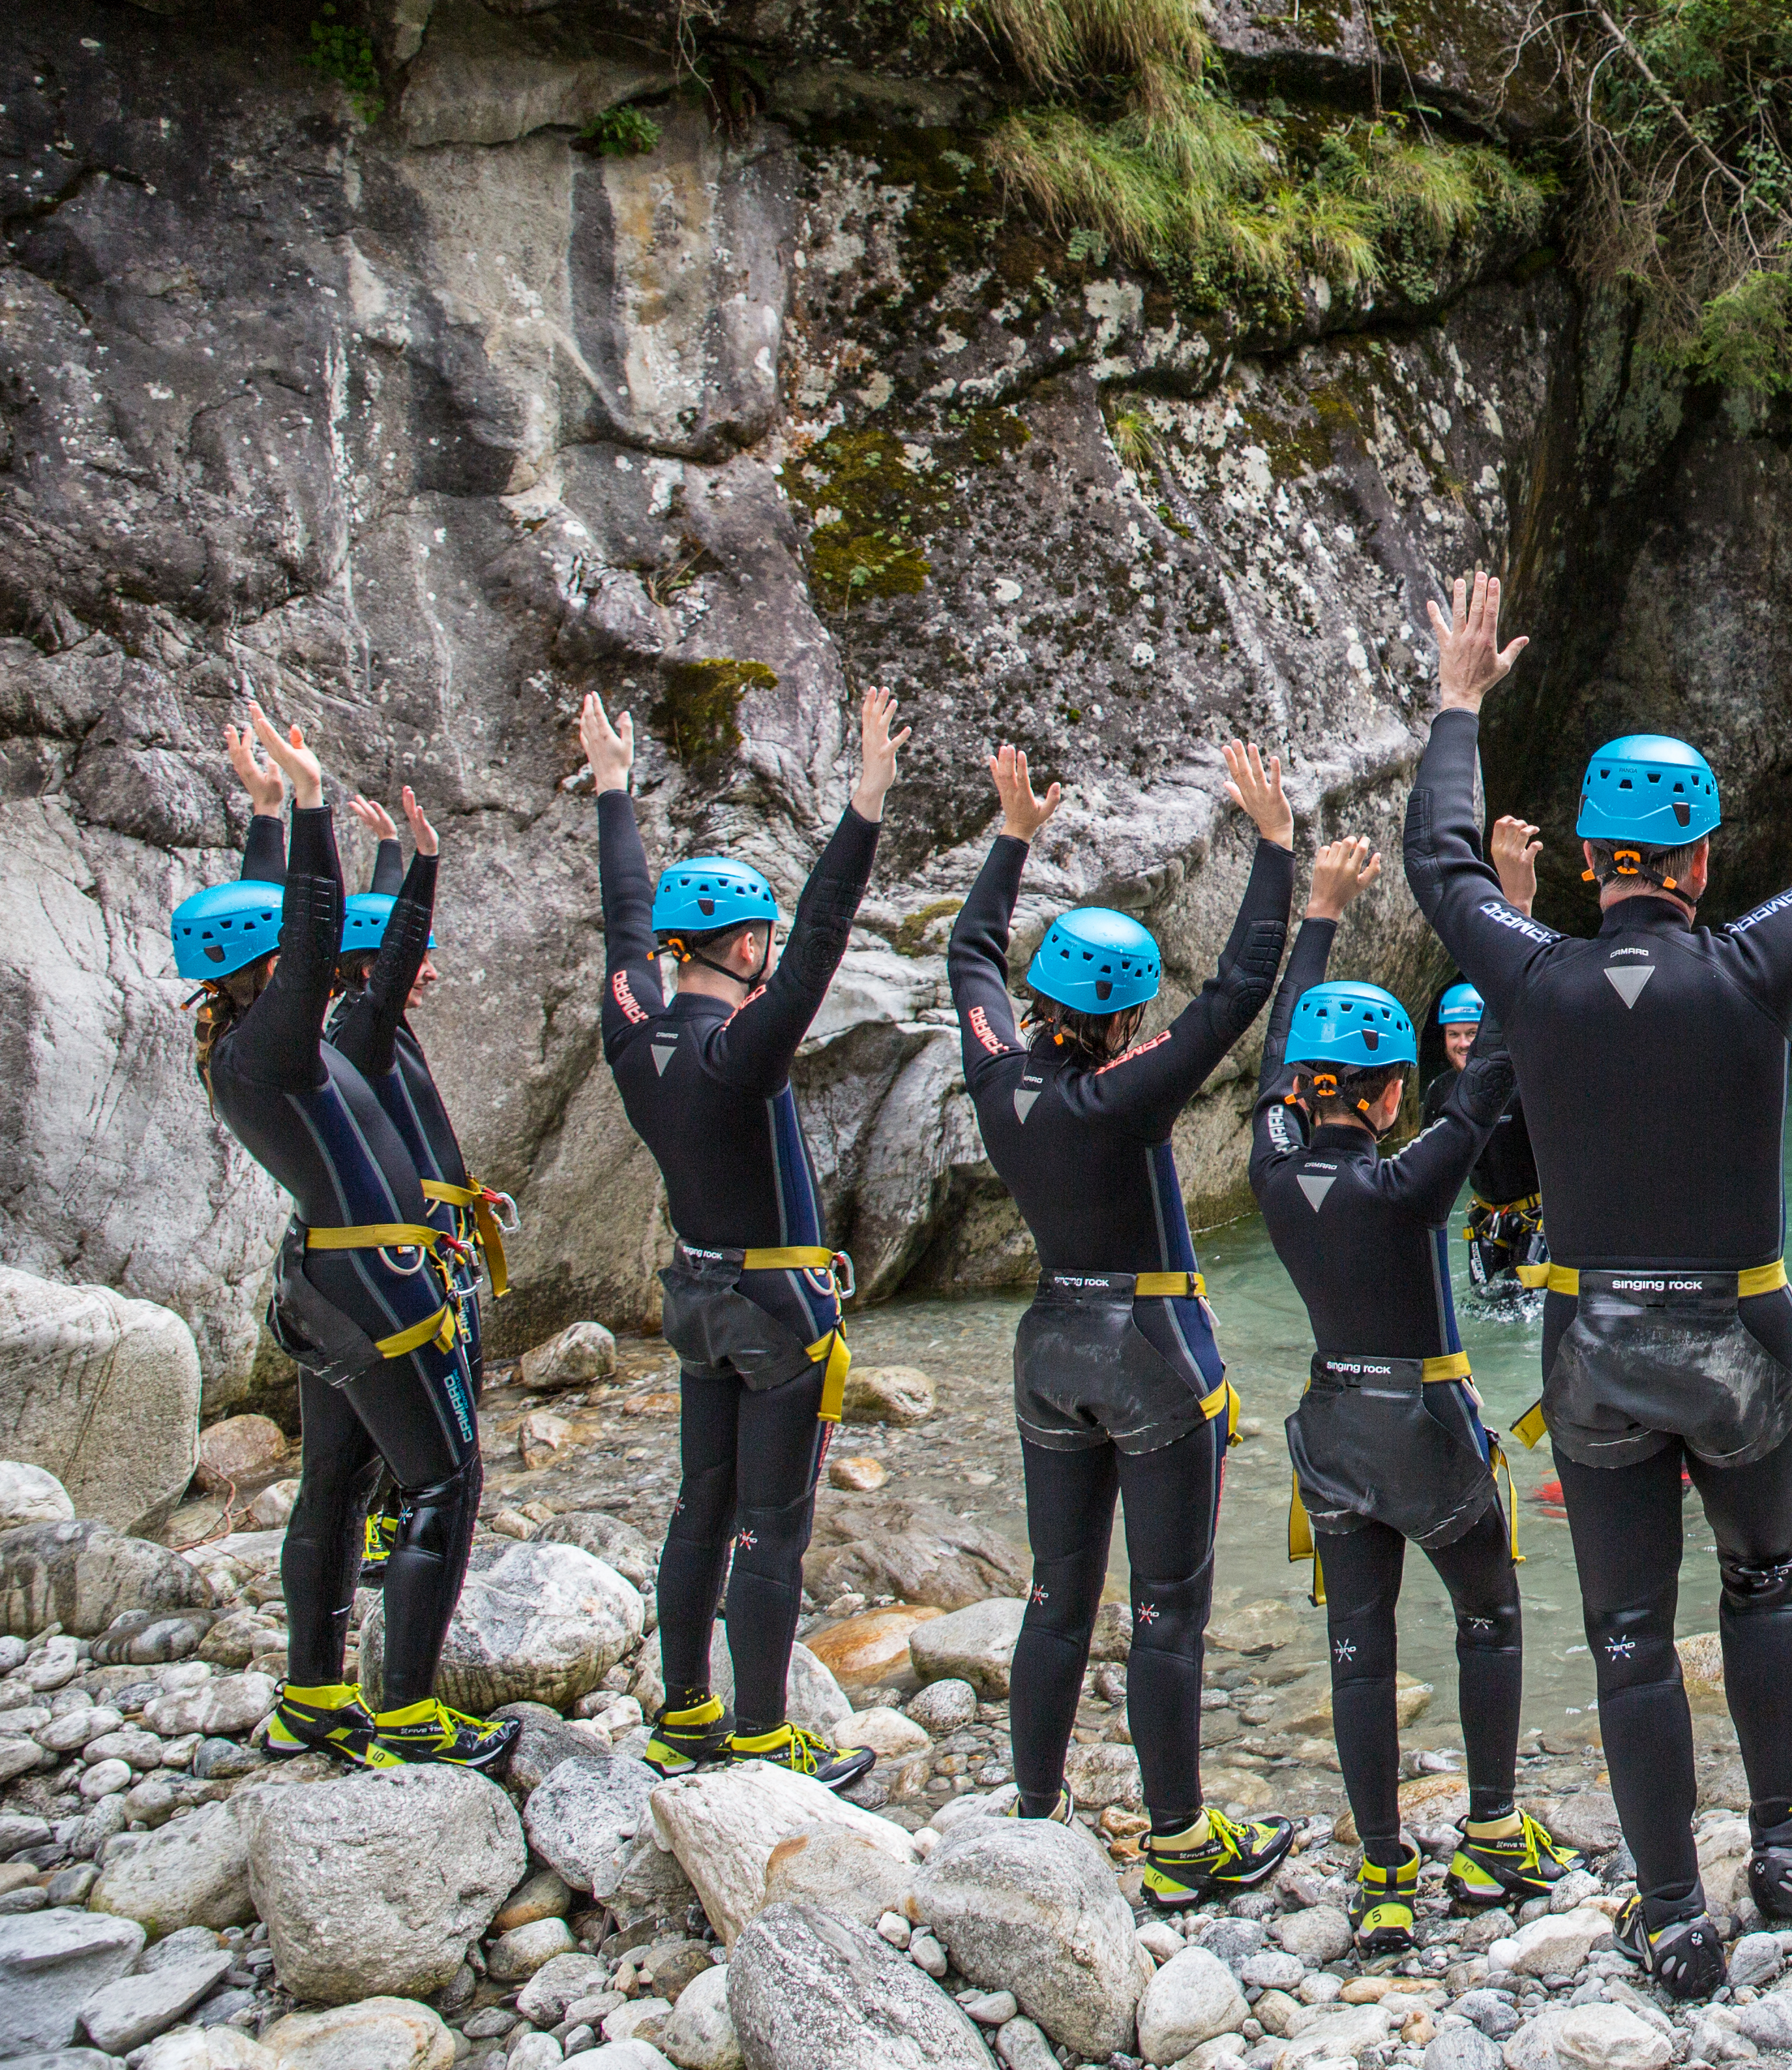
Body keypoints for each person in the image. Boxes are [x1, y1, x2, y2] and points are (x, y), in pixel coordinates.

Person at [1405, 561, 1792, 1998]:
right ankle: (1785, 1847)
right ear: (1697, 863)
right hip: (1740, 1329)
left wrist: (1458, 701)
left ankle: (1673, 1914)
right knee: (1764, 1576)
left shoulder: (1531, 978)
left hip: (1594, 1343)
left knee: (1629, 1628)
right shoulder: (1755, 966)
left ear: (1590, 861)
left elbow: (1442, 864)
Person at [950, 738, 1298, 1908]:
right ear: (1128, 1012)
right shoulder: (1123, 1096)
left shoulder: (1000, 1075)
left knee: (1057, 1593)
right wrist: (1275, 847)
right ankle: (1179, 1838)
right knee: (1165, 1610)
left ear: (1046, 996)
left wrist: (1013, 835)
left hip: (1050, 1344)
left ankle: (1034, 1808)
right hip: (1148, 1355)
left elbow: (967, 954)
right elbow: (1238, 992)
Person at [1250, 833, 1579, 1953]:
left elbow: (1275, 1060)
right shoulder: (1409, 1179)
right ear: (1394, 1092)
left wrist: (1319, 914)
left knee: (1359, 1644)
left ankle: (1385, 1868)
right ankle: (1489, 1836)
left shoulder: (1272, 1167)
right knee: (1487, 1618)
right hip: (1427, 1433)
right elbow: (1496, 1063)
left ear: (1304, 1088)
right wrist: (1512, 912)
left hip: (1330, 1430)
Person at [576, 687, 900, 1792]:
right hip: (776, 1311)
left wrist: (613, 789)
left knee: (698, 1511)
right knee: (770, 1529)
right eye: (765, 941)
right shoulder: (740, 1050)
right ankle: (762, 1732)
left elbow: (622, 917)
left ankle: (684, 1715)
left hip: (696, 1297)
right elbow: (822, 940)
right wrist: (864, 800)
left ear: (677, 948)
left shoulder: (633, 1028)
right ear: (750, 944)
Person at [176, 706, 508, 1769]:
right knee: (444, 1481)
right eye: (289, 951)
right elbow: (314, 928)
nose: (308, 955)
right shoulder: (277, 1046)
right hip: (376, 1285)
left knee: (336, 1482)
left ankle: (314, 1699)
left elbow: (275, 921)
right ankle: (406, 1712)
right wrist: (313, 805)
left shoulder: (251, 1042)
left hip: (325, 1281)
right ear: (269, 966)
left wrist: (268, 814)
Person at [1426, 820, 1550, 1297]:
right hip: (1484, 1216)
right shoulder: (1441, 1092)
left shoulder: (1526, 1081)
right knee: (1485, 1305)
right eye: (1454, 1036)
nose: (1462, 1044)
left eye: (1471, 1035)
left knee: (1527, 1302)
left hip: (1538, 1215)